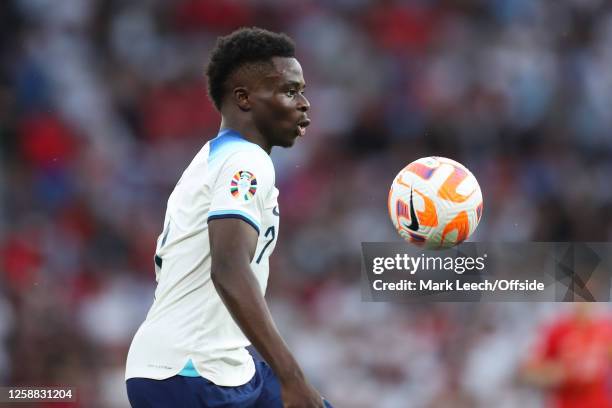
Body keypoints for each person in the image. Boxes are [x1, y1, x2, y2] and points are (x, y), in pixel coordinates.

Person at [125, 27, 331, 408]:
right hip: (190, 373)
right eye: (289, 91)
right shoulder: (244, 161)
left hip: (213, 365)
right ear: (244, 98)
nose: (304, 103)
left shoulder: (217, 159)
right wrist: (292, 376)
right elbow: (229, 269)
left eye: (302, 90)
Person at [521, 304, 612, 408]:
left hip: (600, 402)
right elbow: (529, 370)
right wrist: (554, 372)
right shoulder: (557, 329)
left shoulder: (605, 327)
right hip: (567, 402)